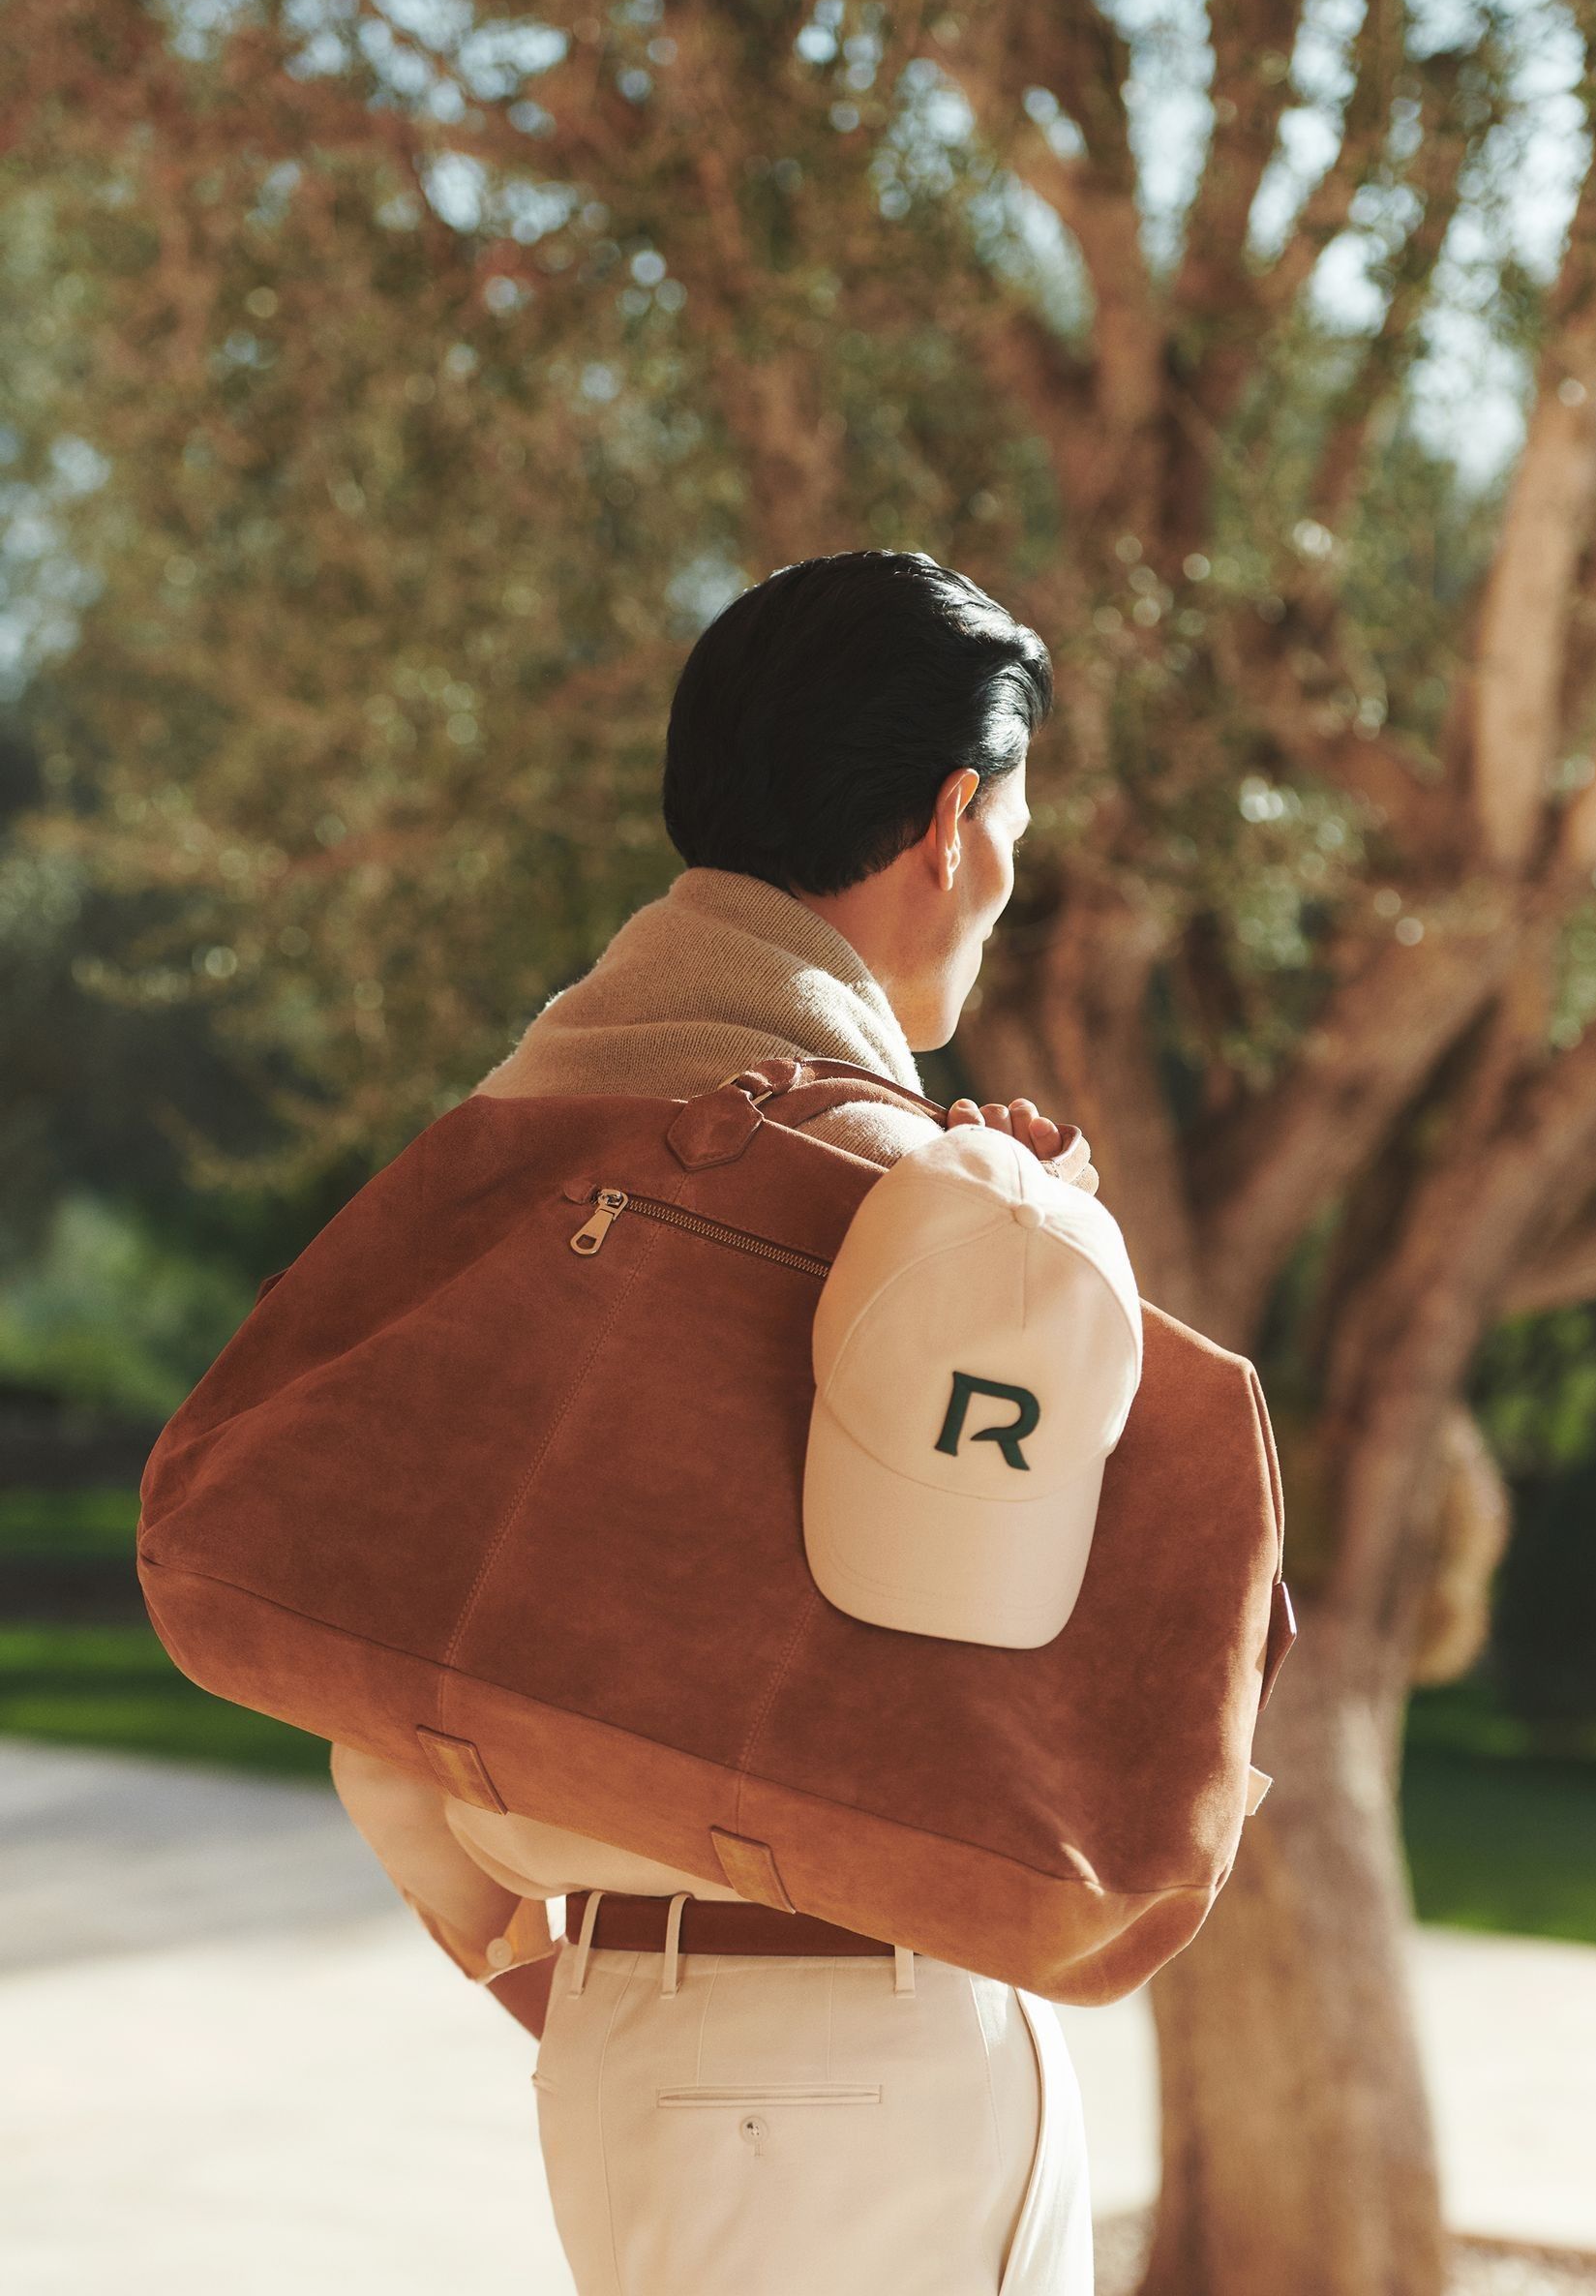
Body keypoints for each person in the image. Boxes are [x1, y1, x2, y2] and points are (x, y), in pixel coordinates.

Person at [330, 549, 1099, 2293]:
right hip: (853, 2034)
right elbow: (999, 1659)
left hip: (663, 2041)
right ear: (953, 821)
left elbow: (366, 1674)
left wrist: (583, 1988)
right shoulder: (894, 1199)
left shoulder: (504, 1156)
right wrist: (1046, 1269)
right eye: (1018, 844)